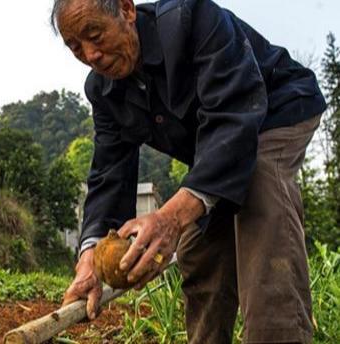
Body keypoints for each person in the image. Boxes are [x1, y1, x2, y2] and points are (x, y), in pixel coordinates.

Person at [51, 0, 327, 343]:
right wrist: (90, 256)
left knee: (258, 189)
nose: (90, 55)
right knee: (199, 249)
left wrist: (170, 217)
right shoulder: (103, 90)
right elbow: (109, 174)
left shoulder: (192, 18)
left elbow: (233, 117)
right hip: (217, 148)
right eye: (75, 46)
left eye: (95, 35)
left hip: (276, 108)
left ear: (126, 9)